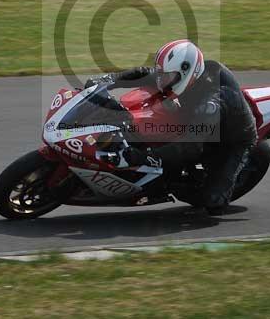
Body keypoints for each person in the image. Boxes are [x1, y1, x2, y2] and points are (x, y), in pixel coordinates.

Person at [84, 39, 257, 215]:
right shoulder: (182, 76)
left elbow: (190, 146)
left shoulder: (212, 103)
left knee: (213, 203)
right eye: (162, 75)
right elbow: (146, 73)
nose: (161, 81)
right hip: (197, 119)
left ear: (186, 73)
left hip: (231, 139)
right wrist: (109, 80)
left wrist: (141, 158)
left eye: (166, 77)